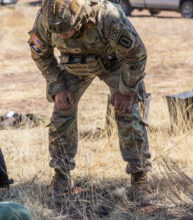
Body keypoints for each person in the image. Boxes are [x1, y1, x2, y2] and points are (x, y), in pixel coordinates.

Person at [28, 0, 152, 204]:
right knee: (62, 109)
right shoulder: (45, 19)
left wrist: (127, 91)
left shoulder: (107, 17)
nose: (63, 36)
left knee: (127, 111)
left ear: (81, 19)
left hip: (114, 63)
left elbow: (137, 55)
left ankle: (140, 178)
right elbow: (39, 54)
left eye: (68, 32)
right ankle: (61, 175)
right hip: (74, 65)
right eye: (59, 34)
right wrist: (58, 86)